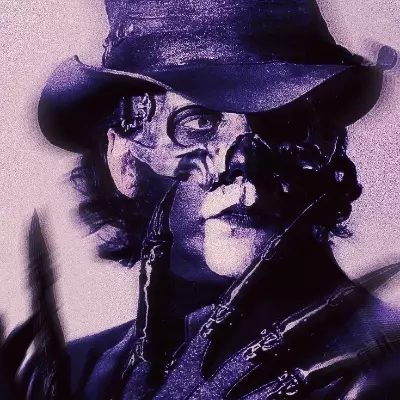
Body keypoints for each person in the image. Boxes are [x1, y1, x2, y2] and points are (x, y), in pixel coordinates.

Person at [1, 0, 399, 399]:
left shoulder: (383, 373)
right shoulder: (73, 377)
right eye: (199, 122)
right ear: (124, 160)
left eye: (283, 122)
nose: (243, 164)